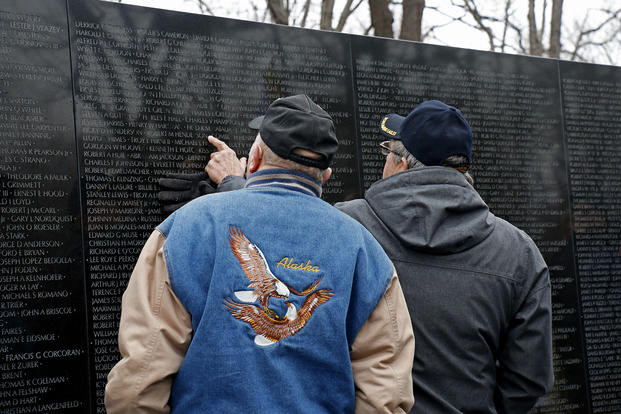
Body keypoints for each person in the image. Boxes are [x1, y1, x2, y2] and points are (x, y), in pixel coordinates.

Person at [195, 99, 554, 413]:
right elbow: (527, 380)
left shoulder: (348, 227)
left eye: (386, 152)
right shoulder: (520, 254)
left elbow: (280, 230)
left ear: (399, 163)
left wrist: (233, 183)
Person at [105, 94, 415, 414]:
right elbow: (386, 394)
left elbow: (140, 380)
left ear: (253, 158)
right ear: (325, 176)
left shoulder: (184, 230)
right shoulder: (365, 251)